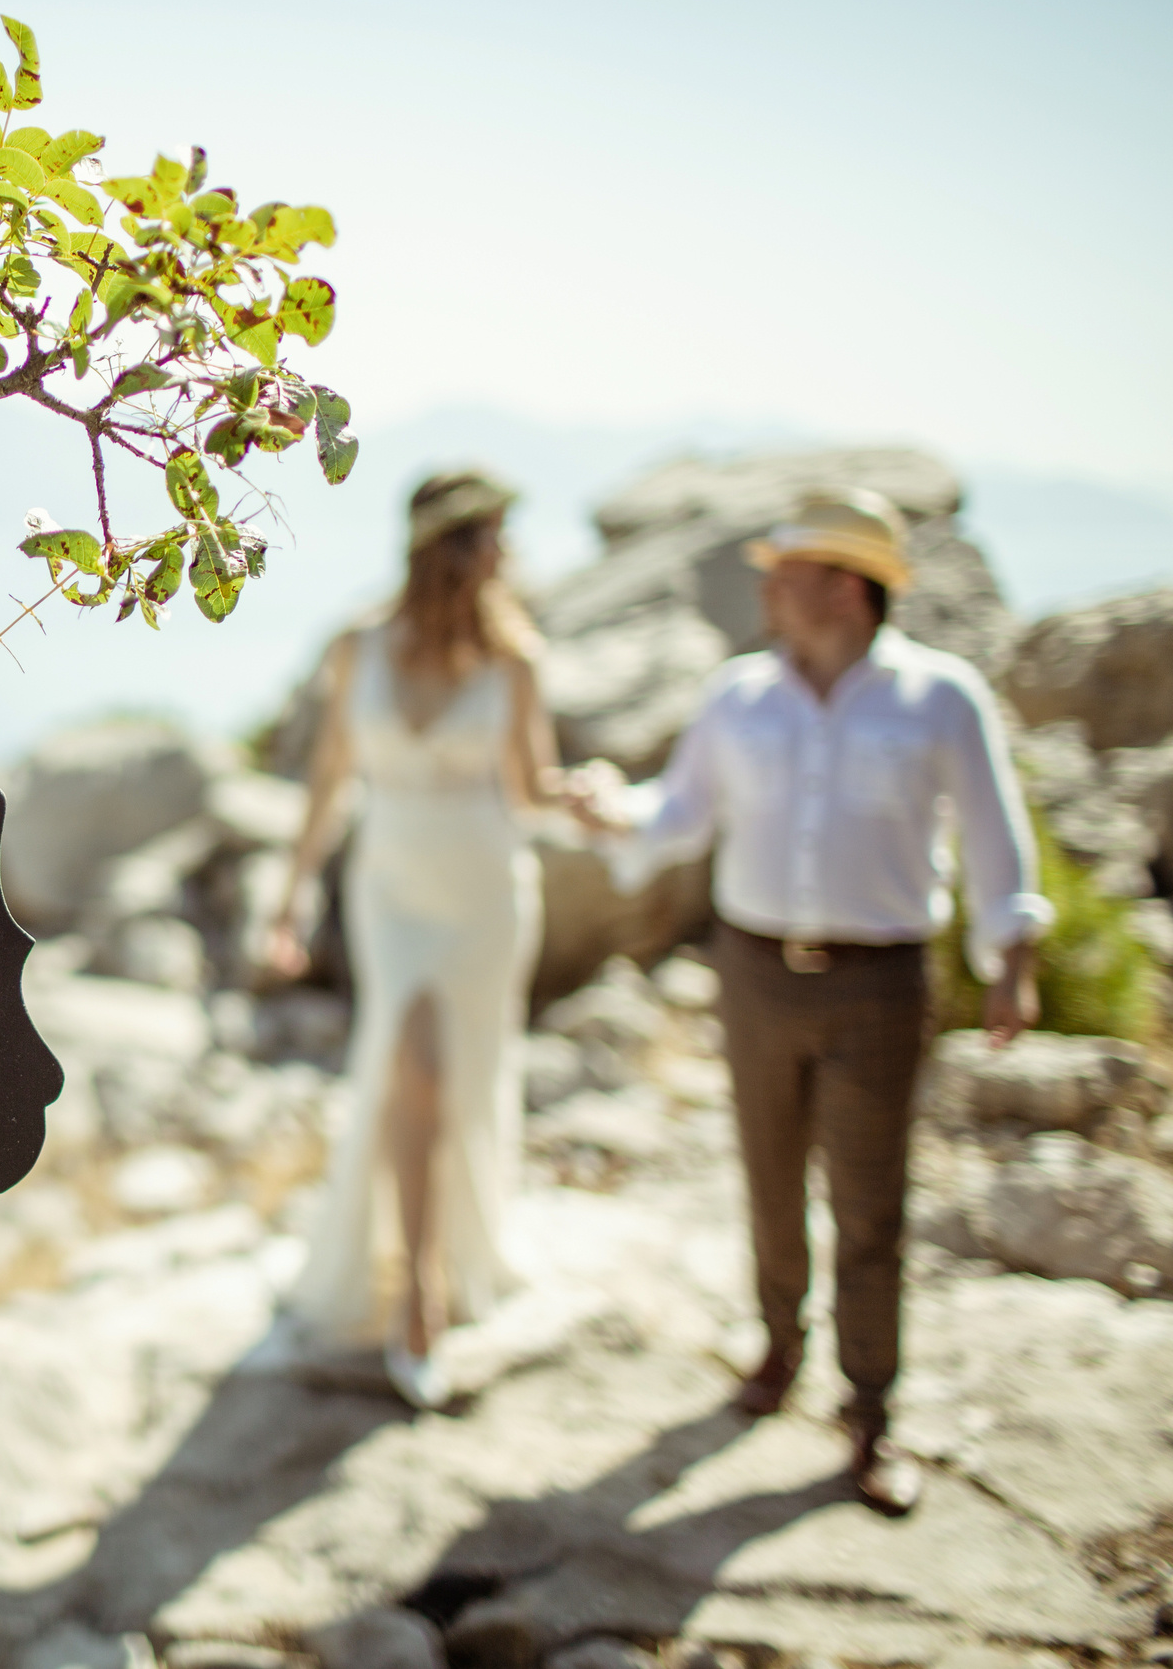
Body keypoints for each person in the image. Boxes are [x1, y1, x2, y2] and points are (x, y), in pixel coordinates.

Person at [575, 487, 1047, 1517]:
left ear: (842, 585)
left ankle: (869, 1412)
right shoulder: (737, 696)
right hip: (749, 972)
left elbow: (991, 829)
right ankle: (776, 1351)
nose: (766, 588)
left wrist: (1008, 951)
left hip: (881, 979)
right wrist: (612, 814)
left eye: (784, 571)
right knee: (766, 1173)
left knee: (870, 1204)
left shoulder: (939, 698)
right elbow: (681, 813)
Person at [263, 467, 577, 1409]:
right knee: (409, 1070)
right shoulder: (359, 645)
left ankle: (431, 1282)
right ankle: (417, 1293)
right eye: (494, 538)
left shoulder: (517, 661)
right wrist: (289, 898)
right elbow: (330, 774)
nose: (507, 558)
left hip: (483, 888)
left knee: (456, 1078)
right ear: (454, 546)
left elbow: (531, 790)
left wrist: (596, 804)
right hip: (390, 888)